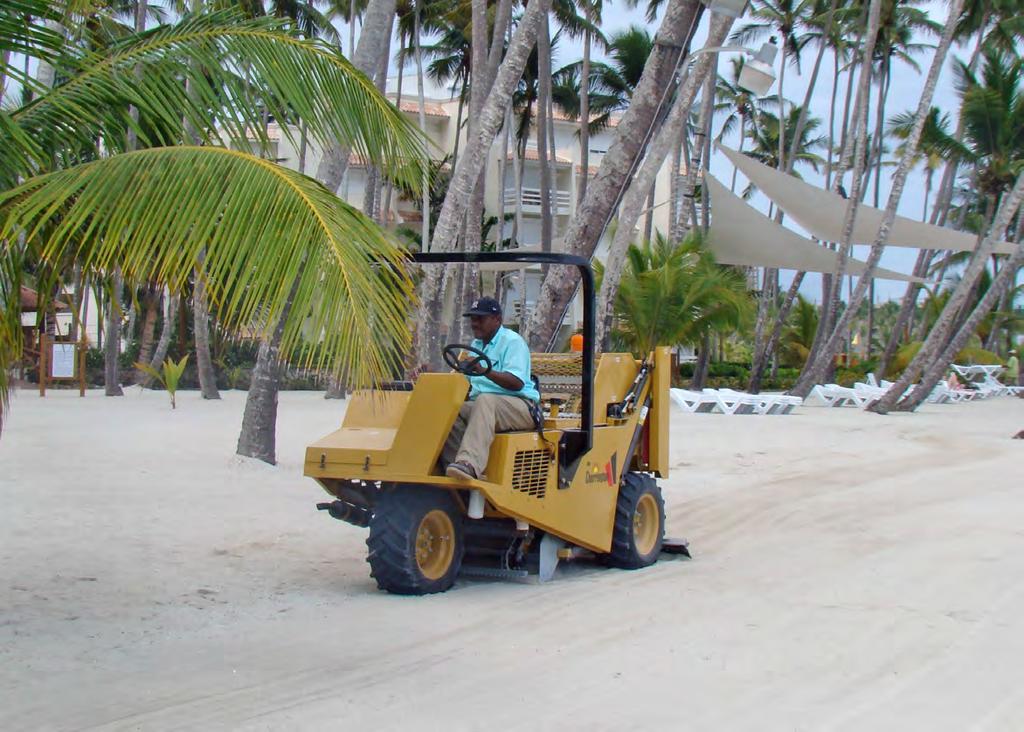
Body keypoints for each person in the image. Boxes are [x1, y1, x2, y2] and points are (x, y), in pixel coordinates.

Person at [442, 297, 539, 481]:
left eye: (480, 319)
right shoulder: (477, 345)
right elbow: (468, 383)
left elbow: (516, 382)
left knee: (485, 400)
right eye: (473, 319)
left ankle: (469, 463)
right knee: (452, 409)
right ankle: (453, 467)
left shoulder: (512, 342)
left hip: (521, 407)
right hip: (487, 406)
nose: (475, 323)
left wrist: (484, 371)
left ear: (497, 319)